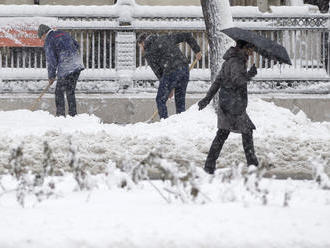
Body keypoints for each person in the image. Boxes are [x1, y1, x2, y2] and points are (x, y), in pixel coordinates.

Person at [198, 40, 259, 174]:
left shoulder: (230, 60)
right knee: (245, 132)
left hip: (228, 103)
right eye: (251, 49)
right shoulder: (237, 61)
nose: (252, 52)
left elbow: (218, 81)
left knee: (224, 134)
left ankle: (209, 166)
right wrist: (250, 74)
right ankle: (252, 165)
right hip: (234, 105)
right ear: (245, 48)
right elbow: (238, 81)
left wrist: (207, 99)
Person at [137, 32, 202, 119]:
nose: (141, 49)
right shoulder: (165, 37)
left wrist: (168, 88)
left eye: (140, 46)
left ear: (143, 43)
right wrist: (197, 50)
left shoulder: (148, 51)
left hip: (171, 72)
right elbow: (187, 36)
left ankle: (164, 123)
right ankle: (181, 123)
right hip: (184, 68)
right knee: (180, 101)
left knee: (160, 99)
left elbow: (158, 71)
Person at [38, 24, 84, 117]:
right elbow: (76, 45)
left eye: (41, 38)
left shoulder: (49, 40)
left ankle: (60, 115)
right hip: (77, 64)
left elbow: (51, 60)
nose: (42, 40)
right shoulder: (63, 33)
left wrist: (51, 76)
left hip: (66, 67)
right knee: (70, 91)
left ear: (43, 34)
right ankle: (73, 114)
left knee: (59, 92)